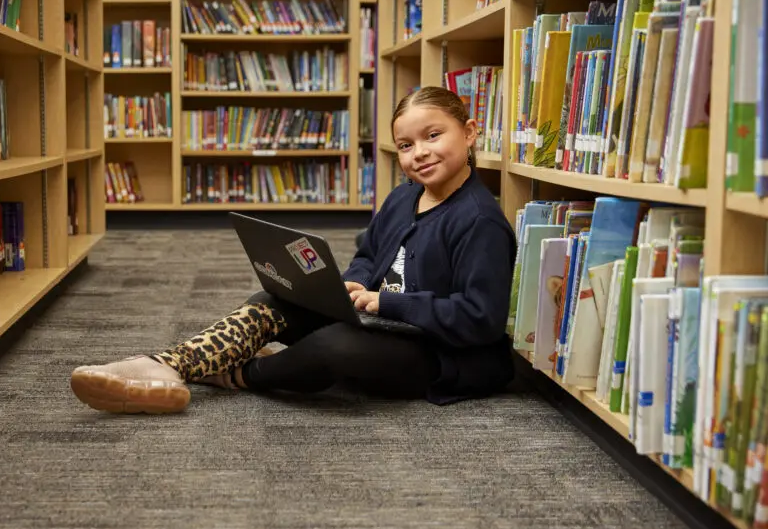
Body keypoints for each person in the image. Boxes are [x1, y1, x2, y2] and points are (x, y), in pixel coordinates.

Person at [70, 86, 517, 414]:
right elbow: (369, 253)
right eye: (406, 145)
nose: (419, 153)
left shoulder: (479, 221)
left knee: (335, 346)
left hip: (437, 353)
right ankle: (170, 363)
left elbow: (481, 319)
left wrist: (387, 302)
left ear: (469, 133)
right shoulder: (405, 196)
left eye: (433, 136)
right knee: (271, 300)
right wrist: (353, 283)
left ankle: (235, 373)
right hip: (382, 321)